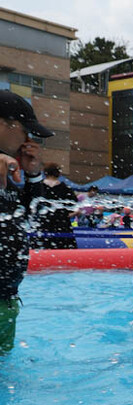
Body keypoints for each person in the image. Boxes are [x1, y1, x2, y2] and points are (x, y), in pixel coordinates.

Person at [0, 90, 53, 353]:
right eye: (24, 131)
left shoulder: (13, 169)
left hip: (7, 296)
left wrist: (34, 176)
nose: (28, 140)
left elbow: (33, 218)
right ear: (2, 124)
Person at [31, 163, 78, 249]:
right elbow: (75, 208)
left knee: (40, 254)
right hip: (62, 226)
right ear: (59, 173)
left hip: (42, 224)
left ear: (45, 173)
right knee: (65, 255)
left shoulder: (38, 187)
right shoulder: (66, 188)